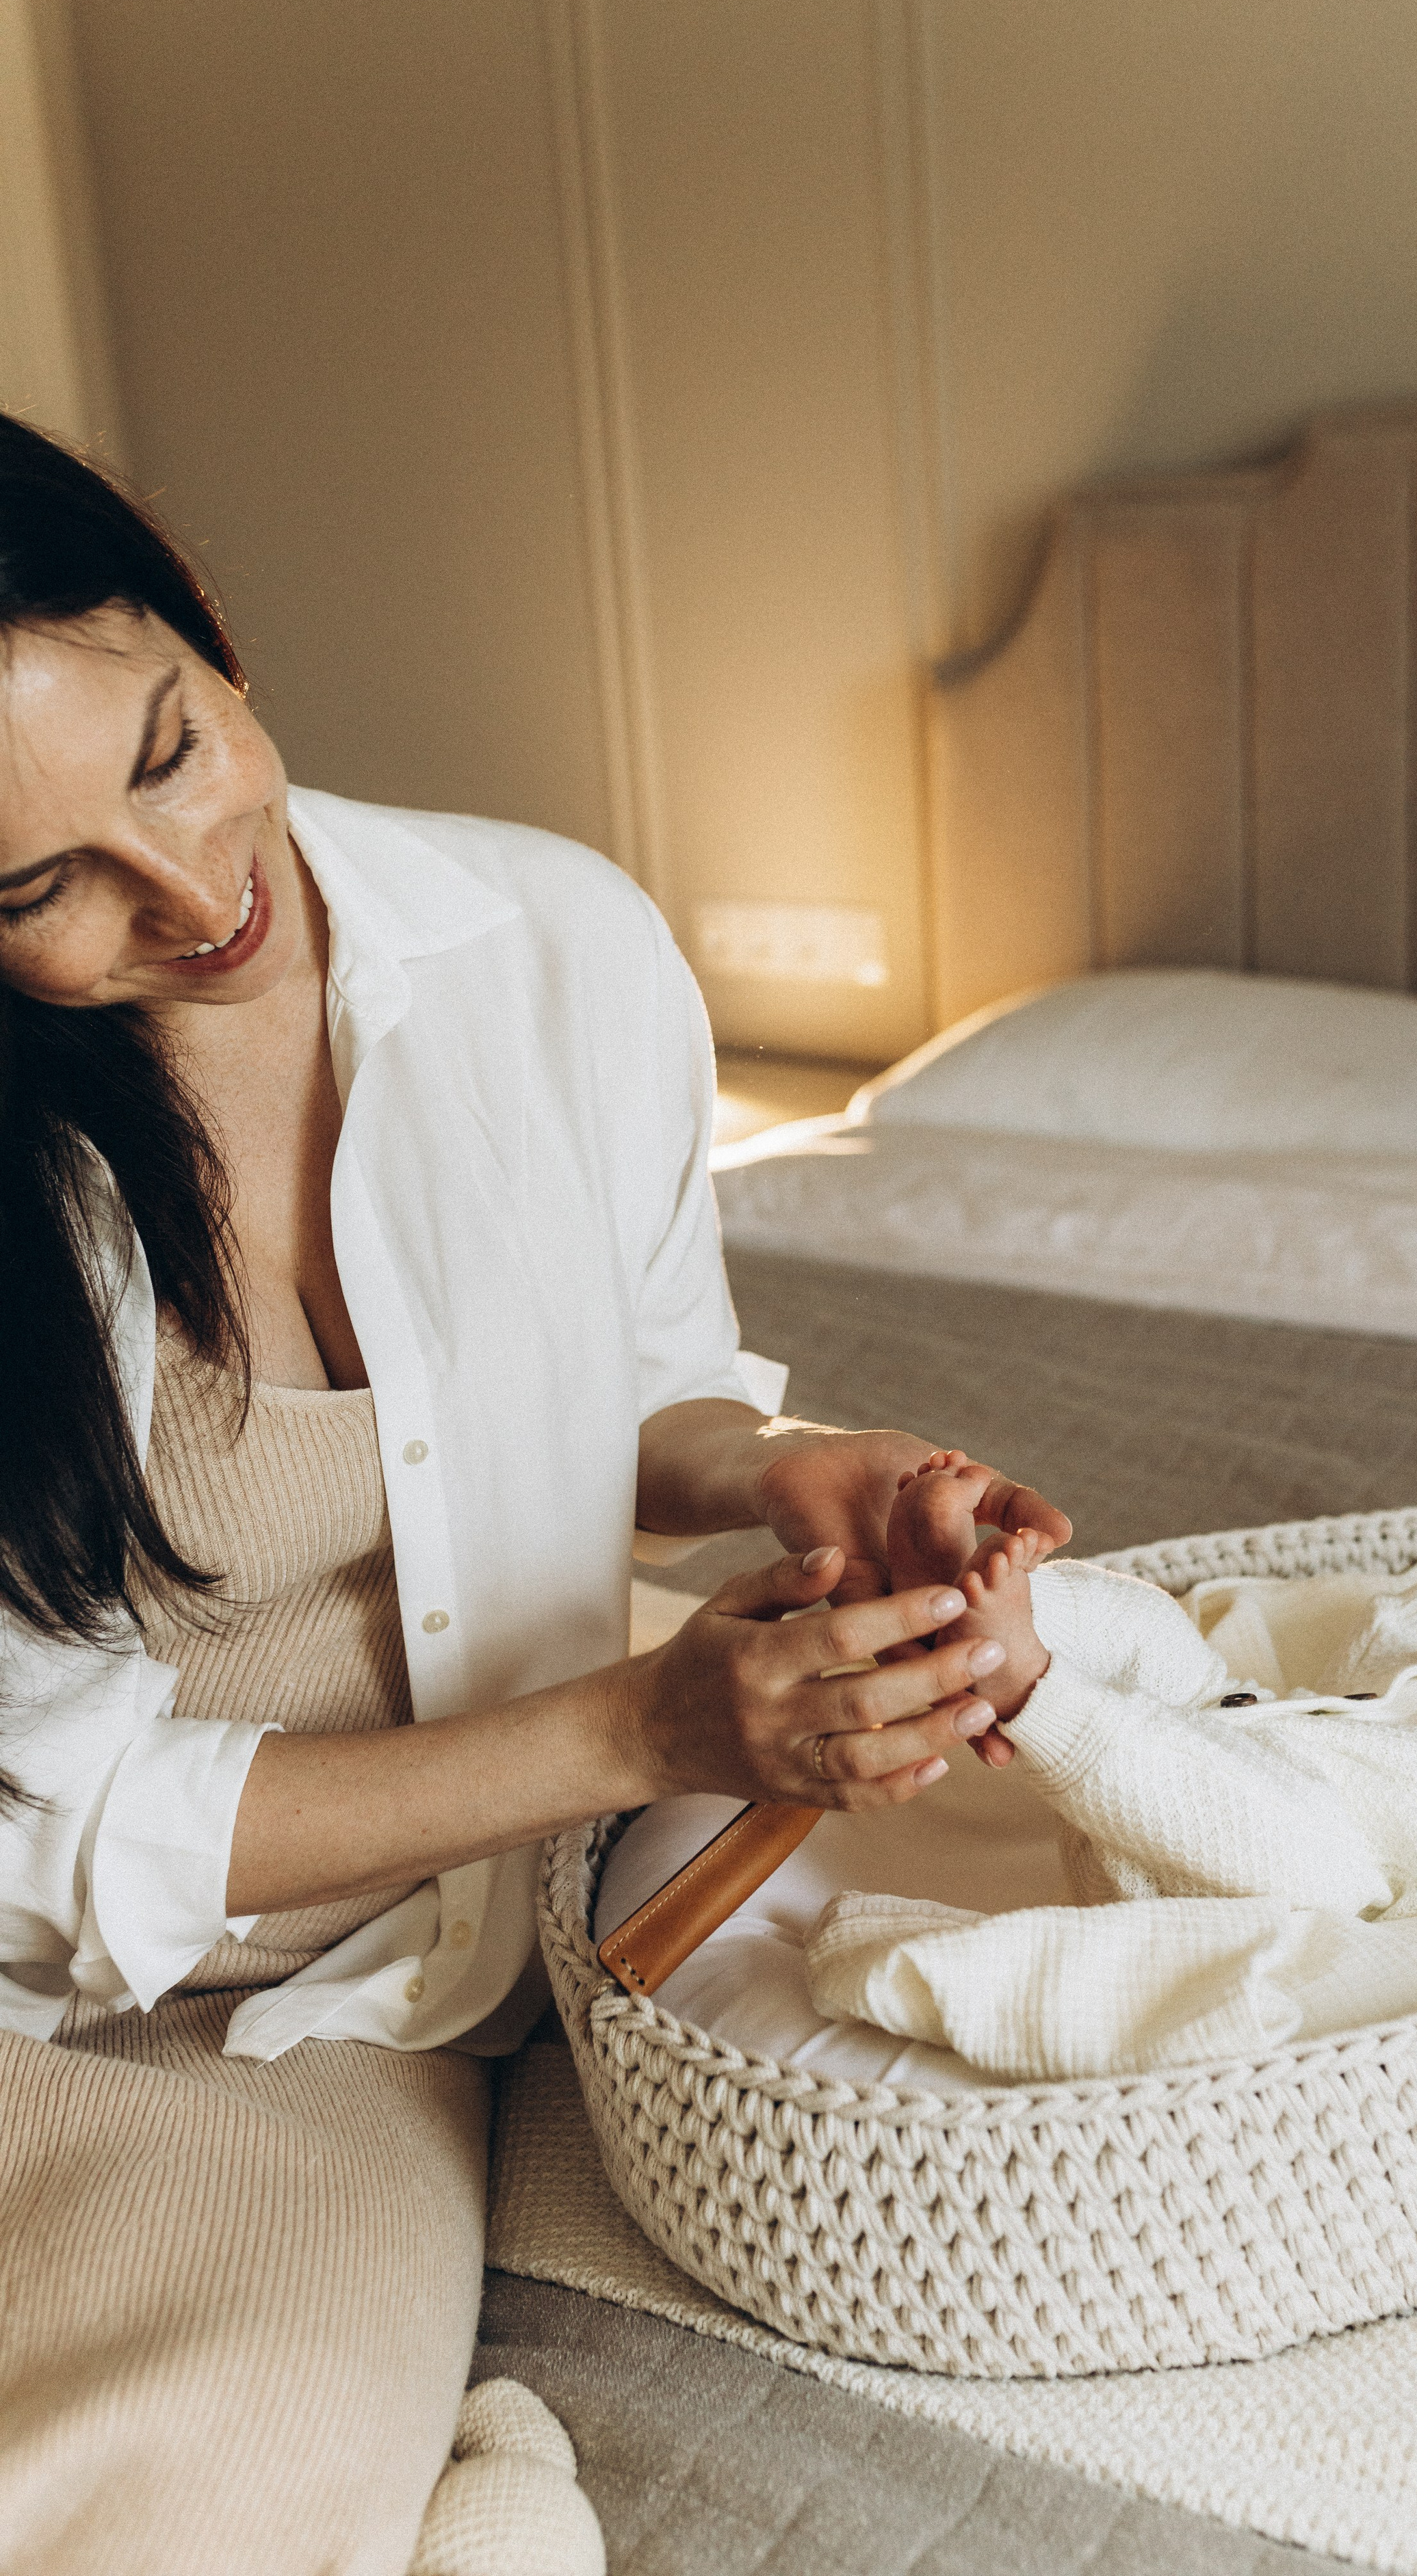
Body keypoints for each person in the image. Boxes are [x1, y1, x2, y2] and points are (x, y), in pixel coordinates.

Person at [0, 414, 1069, 2576]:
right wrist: (635, 1730)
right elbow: (41, 1834)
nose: (192, 893)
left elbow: (646, 1378)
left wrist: (787, 1471)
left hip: (338, 1998)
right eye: (37, 891)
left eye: (173, 751)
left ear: (203, 626)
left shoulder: (555, 947)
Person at [795, 1457, 1417, 2079]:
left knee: (1280, 1827)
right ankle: (954, 1594)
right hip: (1234, 1731)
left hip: (1322, 1872)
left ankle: (1028, 1685)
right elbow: (1351, 1698)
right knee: (1151, 1634)